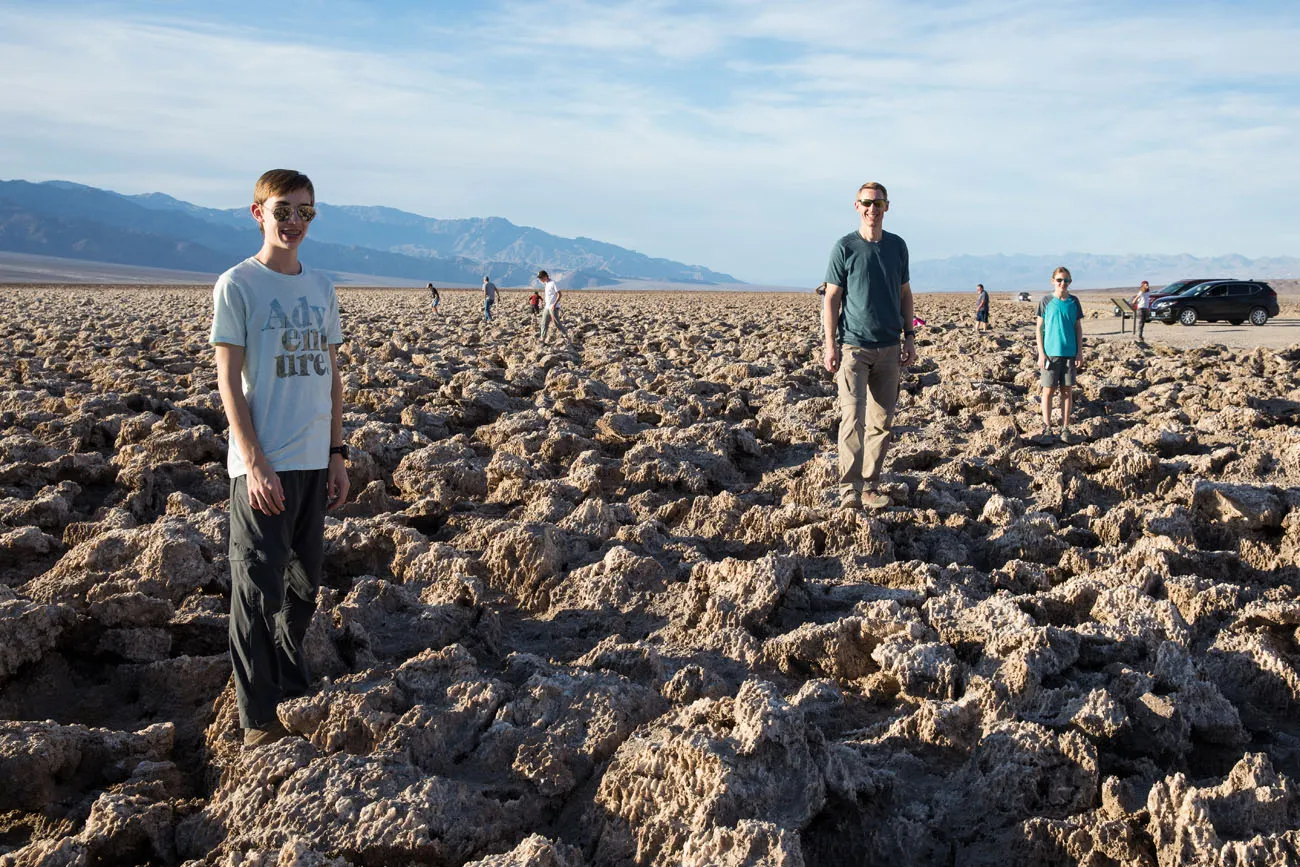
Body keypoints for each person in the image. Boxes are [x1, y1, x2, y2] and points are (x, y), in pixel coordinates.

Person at [210, 169, 349, 748]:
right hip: (264, 465)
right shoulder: (237, 284)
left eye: (306, 212)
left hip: (316, 463)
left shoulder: (320, 287)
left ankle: (291, 684)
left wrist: (338, 452)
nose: (294, 222)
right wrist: (254, 460)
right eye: (284, 210)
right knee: (255, 591)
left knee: (304, 588)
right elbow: (227, 381)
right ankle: (256, 719)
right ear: (257, 212)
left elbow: (332, 375)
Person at [822, 181, 916, 511]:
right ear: (857, 206)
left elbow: (905, 294)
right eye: (866, 203)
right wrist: (830, 344)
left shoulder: (897, 247)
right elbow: (832, 298)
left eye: (878, 203)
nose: (872, 209)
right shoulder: (844, 247)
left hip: (889, 347)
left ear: (887, 207)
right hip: (853, 347)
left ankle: (870, 486)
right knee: (852, 418)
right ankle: (849, 489)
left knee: (882, 422)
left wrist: (909, 336)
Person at [1036, 266, 1085, 441]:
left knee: (1067, 392)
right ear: (1053, 281)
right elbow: (1039, 329)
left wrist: (1079, 352)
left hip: (1069, 354)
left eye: (1066, 280)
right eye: (1059, 280)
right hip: (1050, 354)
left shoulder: (1074, 302)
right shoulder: (1046, 301)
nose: (1063, 283)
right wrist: (1041, 354)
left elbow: (1077, 328)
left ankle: (1065, 428)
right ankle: (1047, 428)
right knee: (1048, 391)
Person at [537, 269, 571, 345]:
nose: (540, 280)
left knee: (556, 323)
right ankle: (542, 338)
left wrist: (555, 304)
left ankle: (566, 337)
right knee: (544, 322)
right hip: (547, 307)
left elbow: (559, 294)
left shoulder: (553, 283)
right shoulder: (546, 284)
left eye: (541, 278)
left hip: (553, 307)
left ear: (545, 276)